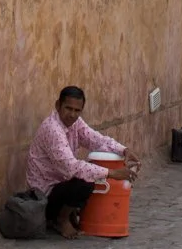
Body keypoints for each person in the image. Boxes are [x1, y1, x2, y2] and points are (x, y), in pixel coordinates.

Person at [26, 85, 137, 239]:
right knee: (86, 181)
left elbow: (95, 139)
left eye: (77, 111)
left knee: (88, 176)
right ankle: (61, 219)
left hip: (60, 185)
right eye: (68, 108)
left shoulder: (75, 123)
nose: (72, 114)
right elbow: (71, 167)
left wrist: (124, 150)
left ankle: (69, 213)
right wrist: (112, 173)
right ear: (58, 105)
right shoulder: (53, 129)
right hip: (43, 197)